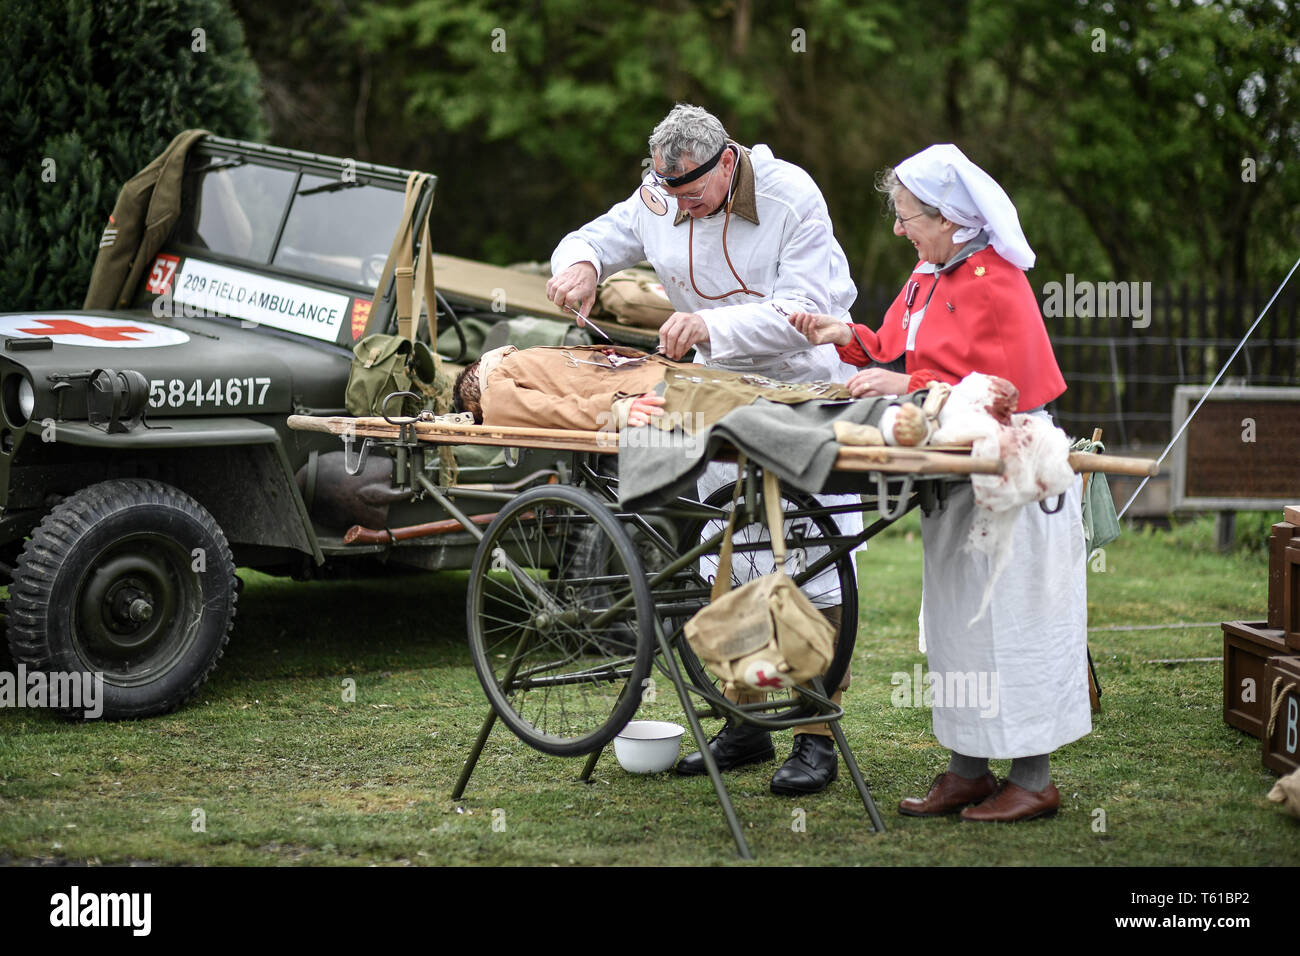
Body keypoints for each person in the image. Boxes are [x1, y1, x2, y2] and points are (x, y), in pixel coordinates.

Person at [545, 104, 862, 794]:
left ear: (727, 162)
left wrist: (707, 324)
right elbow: (596, 234)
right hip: (715, 393)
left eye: (691, 195)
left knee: (814, 569)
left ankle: (814, 736)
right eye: (668, 194)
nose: (679, 210)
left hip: (801, 392)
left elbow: (803, 312)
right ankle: (743, 721)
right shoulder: (662, 189)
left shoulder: (792, 197)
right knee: (733, 560)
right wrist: (581, 264)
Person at [789, 144, 1090, 822]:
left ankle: (1034, 778)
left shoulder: (997, 281)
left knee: (1015, 618)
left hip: (1010, 468)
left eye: (908, 216)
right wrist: (846, 333)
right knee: (959, 620)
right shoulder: (928, 273)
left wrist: (909, 385)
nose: (899, 230)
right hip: (951, 466)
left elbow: (1003, 393)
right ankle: (969, 768)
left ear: (950, 218)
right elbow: (894, 347)